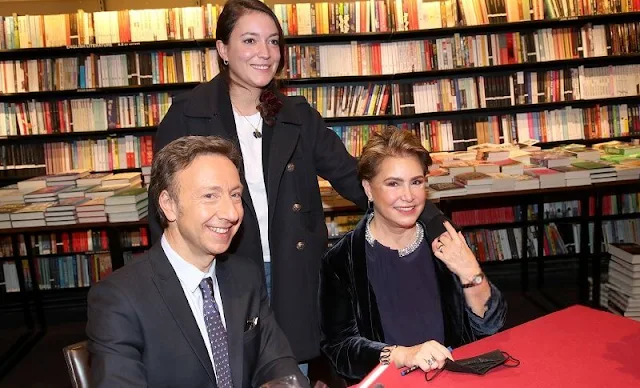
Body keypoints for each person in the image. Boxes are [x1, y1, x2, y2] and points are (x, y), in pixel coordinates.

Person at [149, 0, 447, 367]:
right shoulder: (187, 115)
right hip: (218, 273)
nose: (265, 53)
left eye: (273, 42)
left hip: (292, 271)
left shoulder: (297, 117)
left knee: (291, 372)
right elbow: (161, 209)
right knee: (223, 371)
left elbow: (355, 178)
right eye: (250, 41)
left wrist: (436, 225)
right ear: (223, 49)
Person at [86, 136, 309, 388]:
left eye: (235, 195)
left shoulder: (245, 276)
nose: (231, 213)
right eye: (210, 196)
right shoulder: (119, 299)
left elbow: (275, 362)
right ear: (169, 205)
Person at [318, 127, 507, 383]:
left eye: (416, 182)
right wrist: (402, 355)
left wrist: (471, 272)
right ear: (368, 189)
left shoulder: (445, 242)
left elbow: (491, 327)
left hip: (455, 378)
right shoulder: (341, 260)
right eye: (393, 183)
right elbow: (341, 350)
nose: (408, 197)